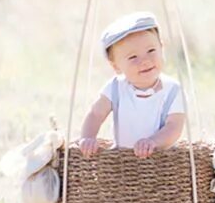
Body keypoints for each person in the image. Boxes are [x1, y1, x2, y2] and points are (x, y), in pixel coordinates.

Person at [77, 12, 185, 158]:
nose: (145, 61)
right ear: (116, 66)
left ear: (161, 47)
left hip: (161, 162)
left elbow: (174, 126)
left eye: (151, 51)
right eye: (133, 57)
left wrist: (152, 142)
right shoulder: (115, 87)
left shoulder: (172, 90)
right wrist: (88, 137)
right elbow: (96, 114)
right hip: (123, 163)